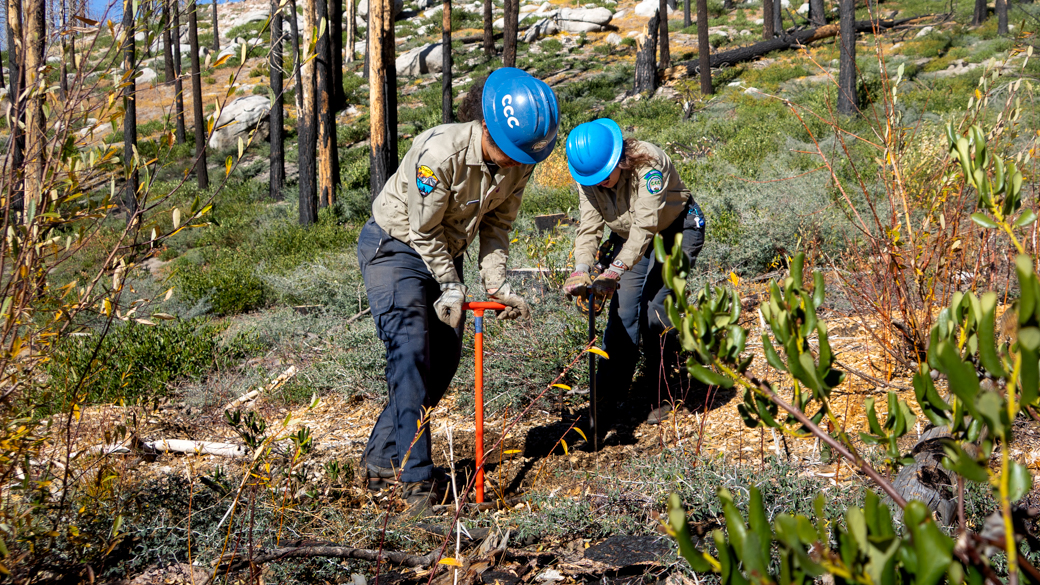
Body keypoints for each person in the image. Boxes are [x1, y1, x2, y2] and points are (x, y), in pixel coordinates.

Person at [358, 68, 559, 511]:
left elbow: (497, 224)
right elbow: (423, 229)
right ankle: (416, 485)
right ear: (486, 125)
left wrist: (497, 284)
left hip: (446, 254)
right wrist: (450, 285)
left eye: (525, 157)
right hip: (397, 247)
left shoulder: (520, 161)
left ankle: (380, 458)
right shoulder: (441, 153)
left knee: (442, 363)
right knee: (411, 352)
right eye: (510, 152)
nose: (516, 163)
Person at [562, 118, 706, 440]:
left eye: (607, 177)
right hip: (629, 241)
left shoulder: (649, 163)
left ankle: (664, 390)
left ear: (619, 159)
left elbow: (646, 226)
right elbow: (588, 228)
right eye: (594, 181)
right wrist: (582, 268)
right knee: (624, 314)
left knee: (656, 309)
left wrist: (616, 270)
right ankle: (606, 402)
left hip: (676, 229)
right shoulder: (589, 178)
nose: (602, 185)